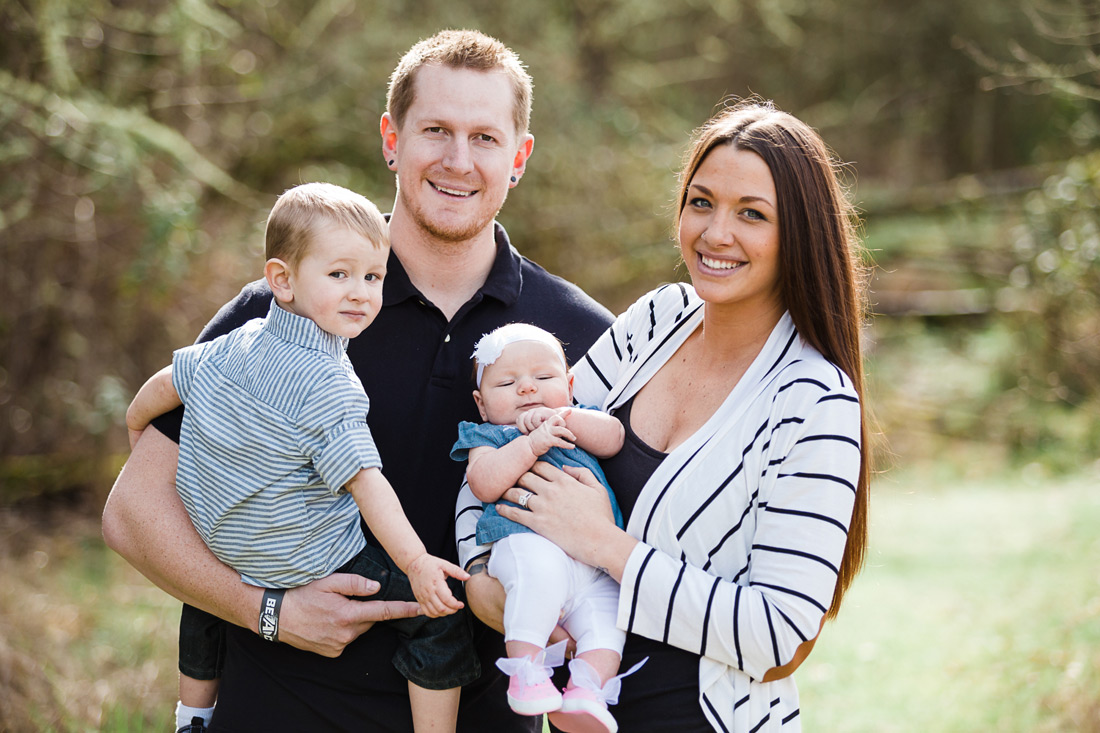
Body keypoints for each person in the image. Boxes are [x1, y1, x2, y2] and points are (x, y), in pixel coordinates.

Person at [101, 29, 613, 732]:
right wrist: (268, 611)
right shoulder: (283, 308)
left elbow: (628, 546)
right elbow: (132, 510)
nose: (458, 161)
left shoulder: (577, 334)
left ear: (519, 156)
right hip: (277, 712)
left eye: (485, 138)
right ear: (391, 139)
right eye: (435, 130)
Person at [456, 98, 872, 732]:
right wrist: (486, 576)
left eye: (752, 214)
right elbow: (499, 444)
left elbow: (776, 636)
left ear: (800, 235)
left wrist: (605, 545)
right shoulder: (657, 321)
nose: (715, 233)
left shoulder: (814, 401)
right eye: (701, 202)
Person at [124, 182, 478, 733]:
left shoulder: (236, 341)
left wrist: (132, 427)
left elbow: (165, 385)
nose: (361, 292)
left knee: (204, 597)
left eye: (373, 276)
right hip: (302, 558)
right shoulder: (331, 383)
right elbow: (367, 482)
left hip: (223, 542)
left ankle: (192, 716)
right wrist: (415, 563)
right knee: (438, 623)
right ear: (281, 280)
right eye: (339, 275)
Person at [449, 323, 636, 733]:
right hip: (526, 542)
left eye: (544, 378)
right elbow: (483, 481)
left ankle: (588, 689)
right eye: (508, 382)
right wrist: (530, 443)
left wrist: (563, 416)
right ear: (482, 404)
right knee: (539, 576)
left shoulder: (576, 420)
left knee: (609, 616)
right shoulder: (489, 434)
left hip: (594, 561)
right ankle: (527, 673)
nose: (527, 389)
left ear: (568, 384)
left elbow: (615, 437)